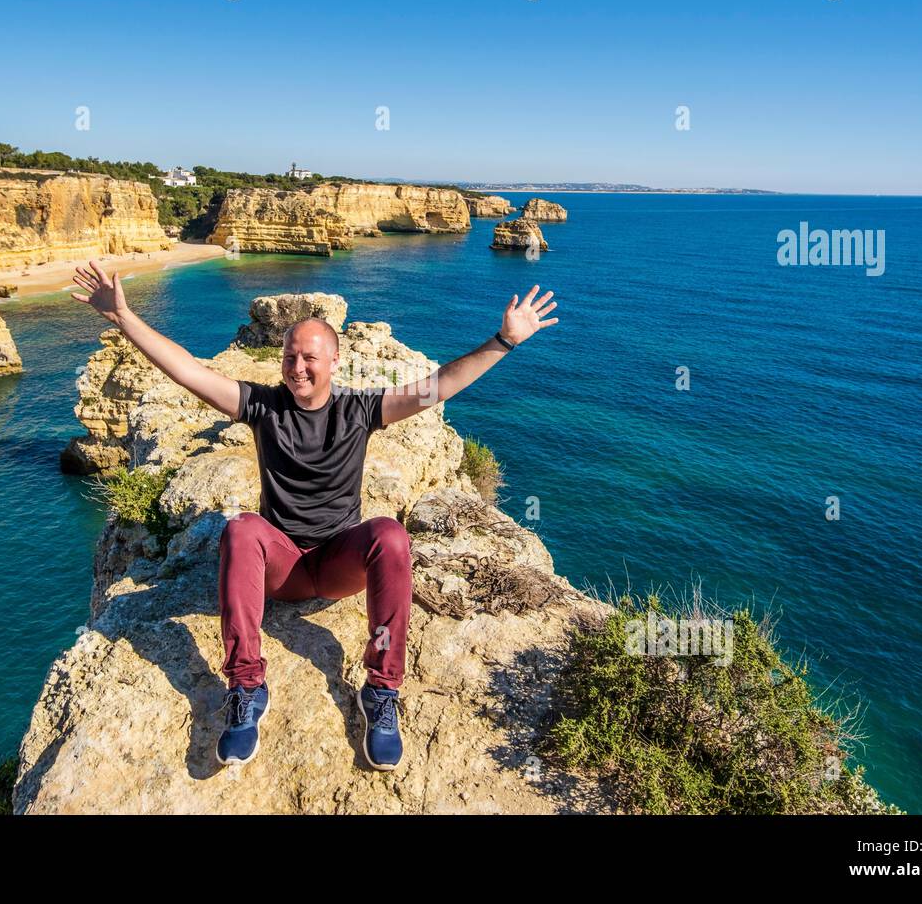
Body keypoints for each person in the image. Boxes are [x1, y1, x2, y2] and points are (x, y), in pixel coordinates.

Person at [71, 261, 560, 771]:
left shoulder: (360, 411)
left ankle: (381, 692)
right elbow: (189, 370)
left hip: (334, 566)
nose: (298, 367)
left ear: (335, 361)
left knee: (391, 535)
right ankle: (245, 688)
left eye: (310, 357)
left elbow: (437, 386)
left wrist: (502, 342)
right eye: (290, 356)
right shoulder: (261, 406)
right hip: (280, 572)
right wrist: (124, 316)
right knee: (239, 528)